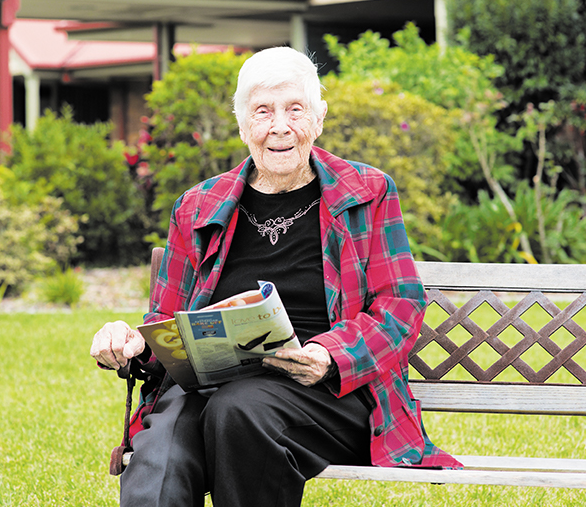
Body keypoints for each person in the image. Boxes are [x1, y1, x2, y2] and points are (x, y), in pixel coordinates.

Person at [90, 46, 461, 507]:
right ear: (243, 122)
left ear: (319, 117)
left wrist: (329, 354)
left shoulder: (366, 192)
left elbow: (401, 307)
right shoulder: (197, 206)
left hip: (326, 391)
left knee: (237, 411)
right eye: (263, 111)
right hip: (212, 386)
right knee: (161, 448)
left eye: (295, 109)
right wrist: (133, 345)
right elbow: (166, 323)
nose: (279, 127)